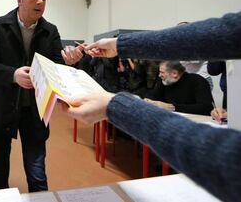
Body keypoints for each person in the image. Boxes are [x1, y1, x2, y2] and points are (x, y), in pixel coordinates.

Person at [62, 11, 241, 202]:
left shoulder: (196, 82)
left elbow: (223, 158)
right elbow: (226, 32)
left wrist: (115, 106)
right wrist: (120, 45)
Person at [0, 0, 83, 192]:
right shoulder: (0, 25)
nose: (40, 2)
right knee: (1, 167)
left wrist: (68, 61)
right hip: (4, 106)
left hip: (36, 109)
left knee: (37, 171)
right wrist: (12, 74)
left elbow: (55, 66)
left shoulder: (50, 30)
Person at [144, 61, 213, 115]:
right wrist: (148, 100)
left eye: (162, 72)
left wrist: (172, 107)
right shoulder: (164, 81)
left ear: (174, 74)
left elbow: (205, 107)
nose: (159, 75)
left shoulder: (197, 81)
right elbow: (153, 94)